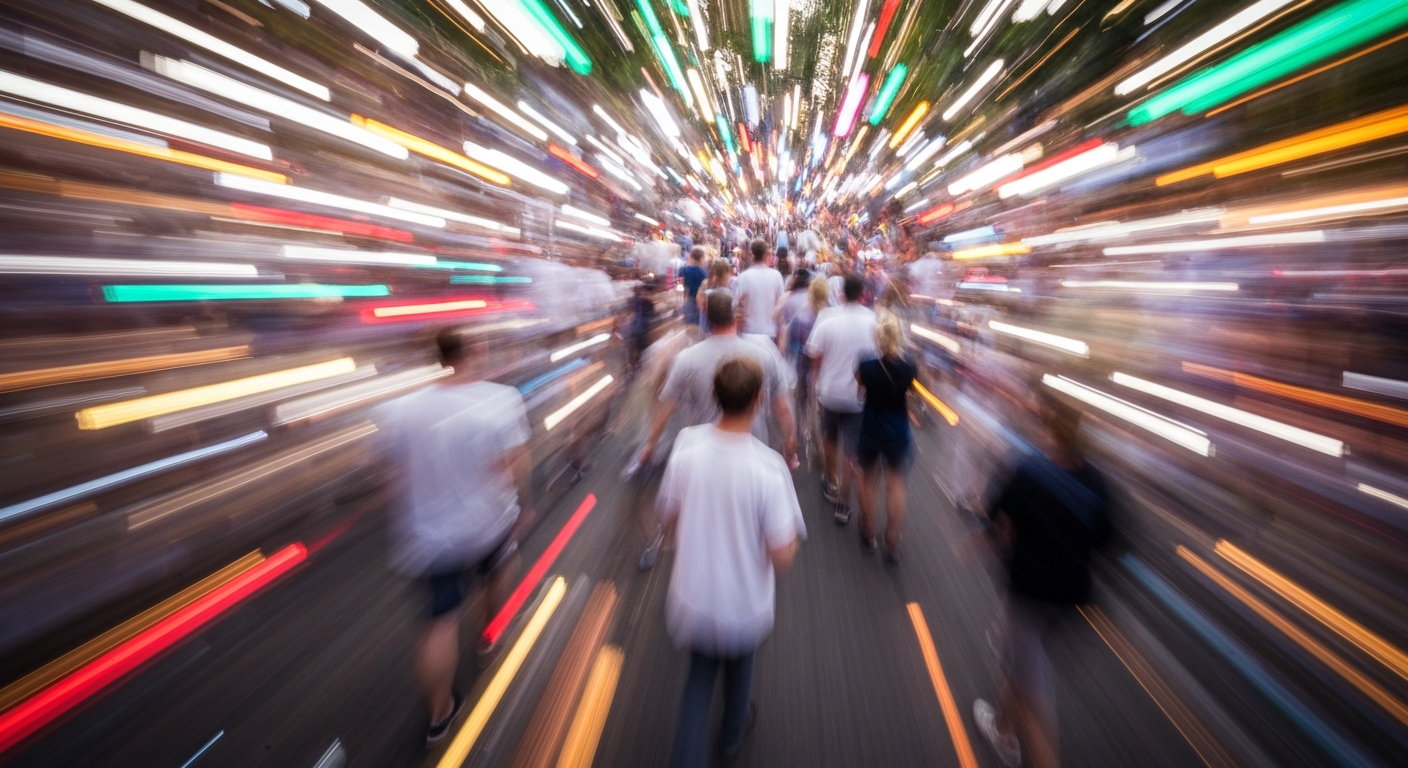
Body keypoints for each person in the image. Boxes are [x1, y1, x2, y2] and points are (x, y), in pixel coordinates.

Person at [375, 330, 532, 748]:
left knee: (439, 622)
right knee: (498, 572)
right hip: (489, 523)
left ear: (437, 357)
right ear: (474, 353)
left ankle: (440, 714)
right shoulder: (499, 400)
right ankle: (487, 635)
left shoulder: (400, 410)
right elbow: (513, 465)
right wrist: (522, 505)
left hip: (430, 536)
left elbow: (390, 477)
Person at [659, 356, 805, 768]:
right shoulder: (769, 469)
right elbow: (782, 559)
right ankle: (731, 736)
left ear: (713, 395)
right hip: (744, 607)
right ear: (760, 399)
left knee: (698, 683)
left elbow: (668, 512)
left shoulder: (686, 445)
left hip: (692, 599)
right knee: (740, 675)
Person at [972, 388, 1112, 768]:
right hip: (1073, 600)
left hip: (1030, 594)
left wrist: (982, 544)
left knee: (1034, 697)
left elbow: (994, 516)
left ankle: (1018, 741)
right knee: (1022, 665)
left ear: (1047, 427)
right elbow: (1108, 539)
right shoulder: (1097, 482)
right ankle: (1002, 729)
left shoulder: (1028, 472)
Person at [638, 291, 798, 568]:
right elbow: (782, 408)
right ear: (737, 316)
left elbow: (665, 408)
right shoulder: (762, 354)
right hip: (753, 450)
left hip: (702, 454)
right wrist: (789, 443)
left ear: (706, 317)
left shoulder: (687, 358)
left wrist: (650, 444)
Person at [805, 274, 876, 524]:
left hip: (830, 393)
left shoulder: (827, 320)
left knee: (830, 437)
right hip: (859, 397)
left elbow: (814, 358)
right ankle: (844, 502)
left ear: (842, 293)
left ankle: (831, 480)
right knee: (852, 450)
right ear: (864, 294)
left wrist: (821, 379)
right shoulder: (873, 321)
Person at [855, 314, 917, 563]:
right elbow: (911, 391)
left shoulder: (867, 364)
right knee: (895, 483)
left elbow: (860, 391)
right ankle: (892, 538)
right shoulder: (909, 365)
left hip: (871, 427)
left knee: (868, 480)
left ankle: (869, 531)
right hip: (898, 431)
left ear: (878, 338)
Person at [734, 239, 786, 341]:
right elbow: (780, 305)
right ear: (767, 255)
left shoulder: (744, 277)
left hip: (749, 332)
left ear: (751, 255)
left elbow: (736, 305)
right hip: (770, 332)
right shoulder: (776, 276)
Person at [697, 258, 733, 337]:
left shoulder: (729, 287)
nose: (729, 278)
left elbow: (700, 306)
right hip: (716, 331)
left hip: (708, 331)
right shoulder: (707, 285)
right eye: (727, 276)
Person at [679, 246, 707, 329]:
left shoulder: (683, 270)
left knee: (688, 327)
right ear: (700, 258)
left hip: (687, 301)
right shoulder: (702, 273)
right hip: (697, 302)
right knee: (696, 327)